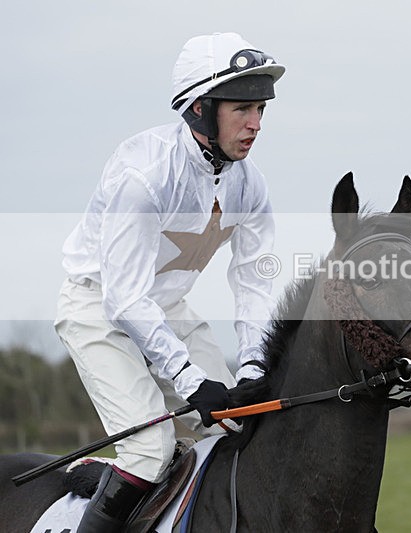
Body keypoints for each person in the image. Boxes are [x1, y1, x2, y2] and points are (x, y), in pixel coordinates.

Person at [54, 32, 284, 532]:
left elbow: (254, 285)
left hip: (167, 310)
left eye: (261, 109)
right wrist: (190, 380)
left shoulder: (251, 184)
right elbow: (125, 298)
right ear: (201, 109)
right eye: (243, 109)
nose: (256, 124)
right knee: (148, 451)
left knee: (235, 427)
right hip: (99, 309)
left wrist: (251, 366)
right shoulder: (143, 176)